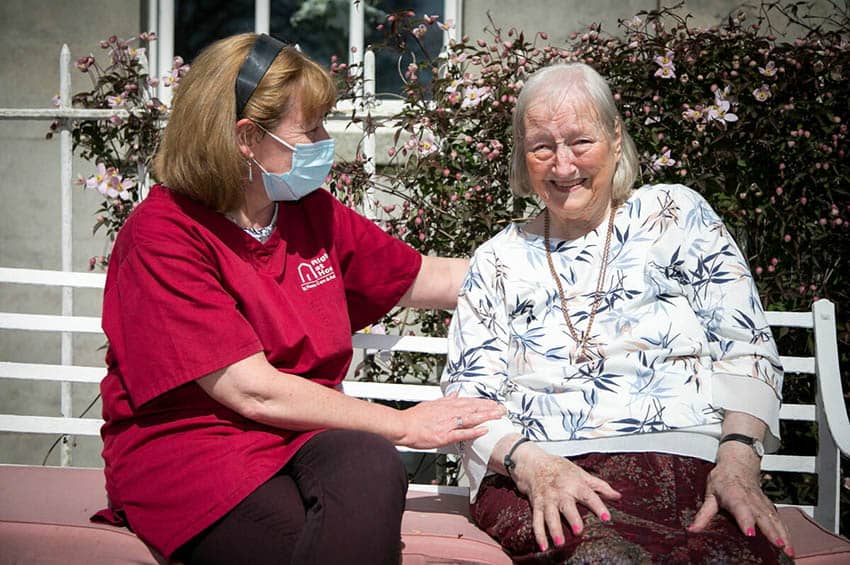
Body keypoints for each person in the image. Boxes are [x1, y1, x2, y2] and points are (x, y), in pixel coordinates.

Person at [92, 33, 504, 565]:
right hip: (196, 454)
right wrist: (405, 423)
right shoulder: (163, 235)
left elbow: (430, 277)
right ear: (246, 137)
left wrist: (558, 265)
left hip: (301, 437)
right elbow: (250, 391)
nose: (324, 139)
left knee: (371, 460)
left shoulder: (309, 210)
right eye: (308, 128)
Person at [441, 62, 794, 564]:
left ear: (615, 135)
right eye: (542, 147)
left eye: (580, 142)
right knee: (603, 555)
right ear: (523, 155)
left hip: (687, 460)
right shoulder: (498, 258)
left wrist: (738, 458)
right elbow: (467, 397)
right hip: (543, 468)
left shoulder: (675, 215)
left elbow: (746, 347)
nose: (563, 166)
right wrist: (535, 467)